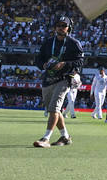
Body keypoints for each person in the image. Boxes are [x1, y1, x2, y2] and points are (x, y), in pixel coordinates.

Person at [33, 17, 83, 147]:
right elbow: (38, 59)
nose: (61, 28)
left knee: (54, 108)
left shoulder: (74, 43)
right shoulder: (48, 42)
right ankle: (65, 136)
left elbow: (80, 62)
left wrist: (64, 64)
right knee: (54, 110)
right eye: (58, 25)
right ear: (55, 27)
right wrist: (43, 65)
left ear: (69, 28)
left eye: (64, 25)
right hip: (48, 79)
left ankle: (46, 138)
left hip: (64, 79)